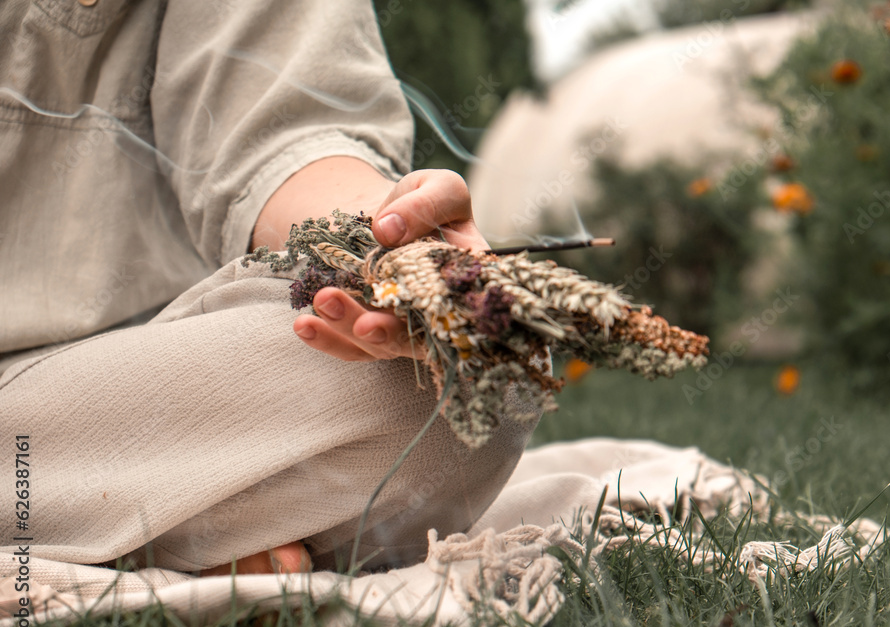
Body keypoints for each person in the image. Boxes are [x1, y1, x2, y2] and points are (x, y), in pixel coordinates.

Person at [0, 0, 537, 576]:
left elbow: (285, 135)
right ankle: (162, 543)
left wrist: (394, 240)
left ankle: (102, 537)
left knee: (476, 378)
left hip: (89, 390)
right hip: (58, 445)